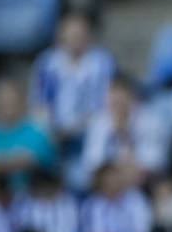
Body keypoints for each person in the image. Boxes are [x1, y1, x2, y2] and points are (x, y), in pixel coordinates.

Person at [30, 12, 115, 145]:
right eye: (71, 34)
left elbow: (105, 105)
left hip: (89, 131)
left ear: (89, 36)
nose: (75, 39)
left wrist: (77, 127)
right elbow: (39, 103)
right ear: (61, 36)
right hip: (54, 133)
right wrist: (52, 128)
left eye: (80, 34)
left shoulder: (102, 62)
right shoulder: (47, 63)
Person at [0, 79, 56, 181]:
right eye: (0, 102)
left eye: (10, 102)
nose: (5, 107)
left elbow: (26, 161)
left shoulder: (38, 133)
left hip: (31, 194)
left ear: (21, 102)